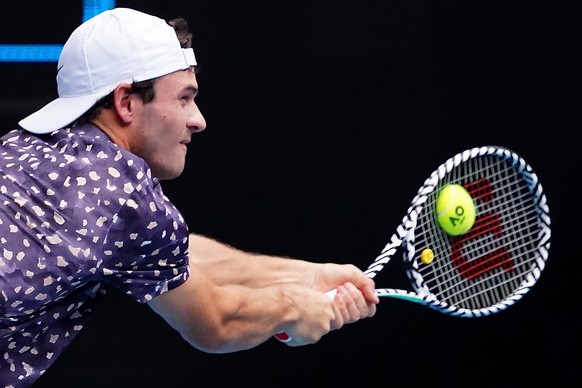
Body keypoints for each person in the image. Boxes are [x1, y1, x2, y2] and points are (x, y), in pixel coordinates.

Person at [0, 8, 379, 387]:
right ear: (126, 102)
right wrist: (294, 308)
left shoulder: (19, 150)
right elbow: (216, 324)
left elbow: (168, 253)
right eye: (184, 98)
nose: (198, 120)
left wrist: (306, 275)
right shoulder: (124, 197)